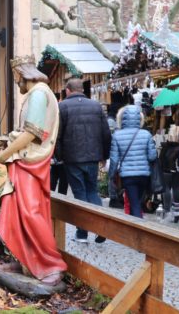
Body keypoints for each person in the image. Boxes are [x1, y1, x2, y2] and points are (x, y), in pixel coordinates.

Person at [0, 55, 67, 286]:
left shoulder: (39, 94)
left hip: (31, 163)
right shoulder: (37, 93)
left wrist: (4, 154)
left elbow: (31, 133)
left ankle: (51, 265)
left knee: (31, 213)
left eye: (16, 78)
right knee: (20, 211)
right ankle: (25, 260)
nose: (16, 83)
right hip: (24, 161)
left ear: (22, 75)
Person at [56, 79, 111, 243]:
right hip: (93, 156)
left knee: (79, 192)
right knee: (92, 191)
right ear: (82, 90)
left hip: (72, 157)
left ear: (68, 91)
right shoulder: (95, 106)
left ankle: (82, 233)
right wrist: (104, 155)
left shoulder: (62, 107)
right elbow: (106, 134)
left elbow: (57, 135)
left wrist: (59, 157)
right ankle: (101, 227)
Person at [109, 105, 157, 218]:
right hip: (144, 175)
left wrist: (111, 176)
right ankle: (132, 230)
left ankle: (139, 233)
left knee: (134, 204)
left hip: (128, 176)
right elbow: (152, 156)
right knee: (136, 203)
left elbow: (114, 159)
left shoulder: (117, 135)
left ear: (122, 119)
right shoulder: (146, 134)